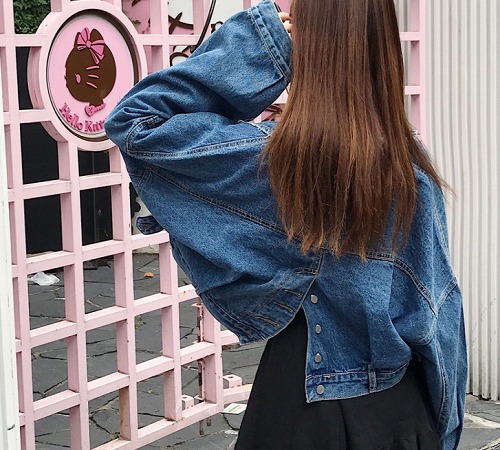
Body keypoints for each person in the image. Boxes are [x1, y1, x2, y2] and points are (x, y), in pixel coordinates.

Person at [104, 0, 467, 449]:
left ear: (305, 46)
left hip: (294, 407)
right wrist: (443, 430)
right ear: (384, 49)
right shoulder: (408, 175)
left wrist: (261, 42)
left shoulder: (269, 165)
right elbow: (438, 320)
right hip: (393, 414)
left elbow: (137, 120)